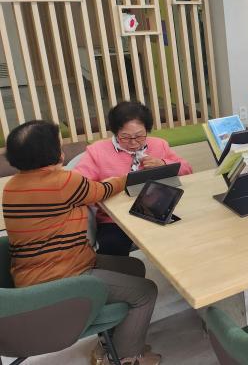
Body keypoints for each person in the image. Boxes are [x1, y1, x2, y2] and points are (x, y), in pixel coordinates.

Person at [2, 121, 161, 365]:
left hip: (35, 273)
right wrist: (129, 177)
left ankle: (110, 343)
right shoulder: (62, 181)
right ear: (53, 152)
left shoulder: (12, 186)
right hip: (62, 280)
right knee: (146, 292)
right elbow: (102, 190)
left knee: (133, 268)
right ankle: (127, 357)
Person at [75, 101, 192, 256]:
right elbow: (78, 184)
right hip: (115, 219)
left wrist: (163, 163)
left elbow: (187, 169)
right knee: (111, 247)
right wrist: (106, 186)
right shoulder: (97, 151)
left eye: (139, 136)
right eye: (125, 137)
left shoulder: (159, 145)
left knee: (185, 237)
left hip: (156, 211)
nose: (133, 142)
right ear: (115, 132)